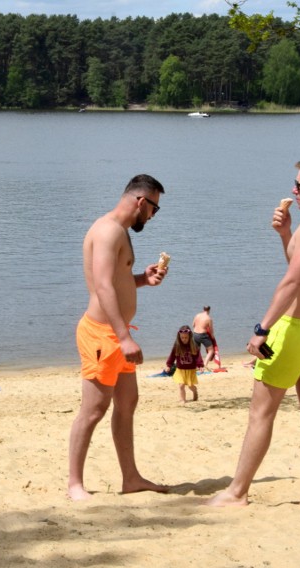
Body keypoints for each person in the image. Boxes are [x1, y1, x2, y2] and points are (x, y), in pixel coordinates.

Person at [207, 157, 300, 513]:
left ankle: (237, 492)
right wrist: (286, 233)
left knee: (261, 413)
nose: (293, 190)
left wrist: (262, 330)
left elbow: (292, 281)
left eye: (299, 185)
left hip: (293, 330)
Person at [68, 173, 169, 501]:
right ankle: (74, 485)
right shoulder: (109, 230)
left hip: (117, 333)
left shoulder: (118, 231)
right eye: (154, 209)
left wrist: (142, 279)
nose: (153, 216)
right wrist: (124, 337)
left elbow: (117, 279)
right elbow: (103, 286)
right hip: (103, 335)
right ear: (141, 201)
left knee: (127, 403)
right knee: (94, 409)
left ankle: (131, 478)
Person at [165, 325, 204, 403]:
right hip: (180, 370)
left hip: (191, 370)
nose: (184, 339)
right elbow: (172, 356)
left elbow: (197, 356)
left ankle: (195, 391)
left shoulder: (193, 345)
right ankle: (183, 399)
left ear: (190, 336)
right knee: (181, 385)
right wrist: (168, 365)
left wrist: (200, 365)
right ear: (179, 337)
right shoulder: (177, 346)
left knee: (190, 386)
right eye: (182, 338)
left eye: (186, 338)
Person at [192, 306, 215, 370]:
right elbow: (211, 330)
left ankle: (196, 365)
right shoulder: (208, 318)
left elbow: (193, 325)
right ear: (209, 310)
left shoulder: (197, 315)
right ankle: (204, 364)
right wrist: (212, 337)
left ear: (203, 309)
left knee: (197, 351)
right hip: (203, 335)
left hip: (195, 334)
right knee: (211, 350)